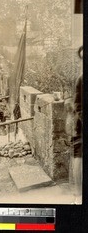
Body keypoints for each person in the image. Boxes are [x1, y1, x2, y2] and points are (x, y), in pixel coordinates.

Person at [72, 46, 83, 199]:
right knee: (78, 158)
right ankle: (78, 195)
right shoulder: (81, 79)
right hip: (81, 126)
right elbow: (78, 105)